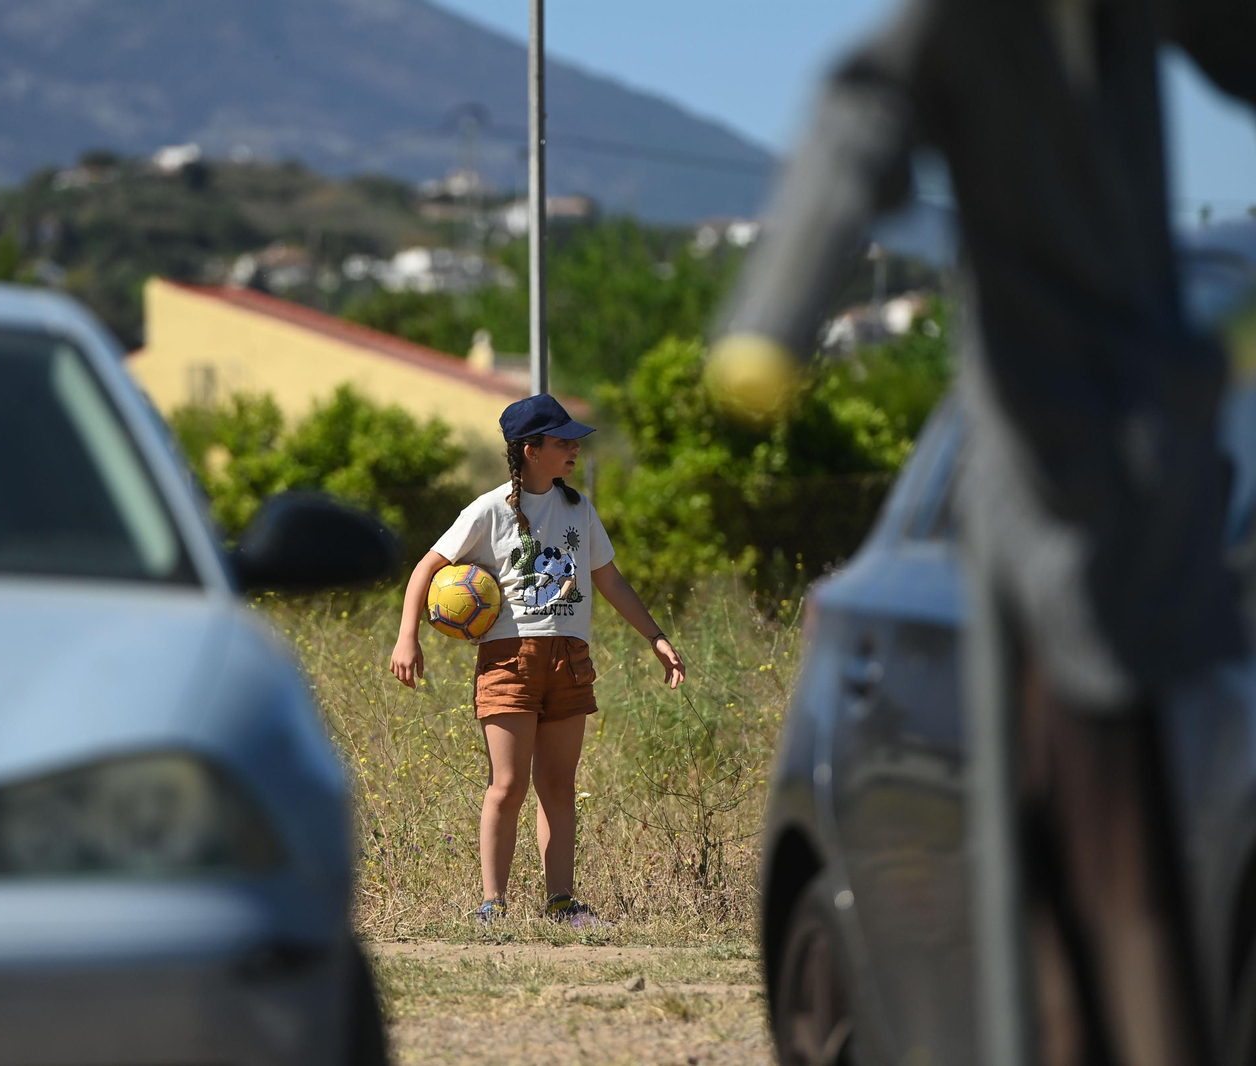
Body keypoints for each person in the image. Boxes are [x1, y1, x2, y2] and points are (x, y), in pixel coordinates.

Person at [707, 1, 1255, 1061]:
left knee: (1102, 905)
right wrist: (772, 320)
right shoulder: (966, 22)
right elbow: (858, 120)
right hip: (1057, 500)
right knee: (1092, 893)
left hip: (1159, 510)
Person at [390, 394, 685, 925]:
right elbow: (424, 569)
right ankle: (492, 904)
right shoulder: (488, 510)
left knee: (558, 785)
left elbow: (609, 580)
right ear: (530, 450)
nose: (573, 448)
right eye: (561, 441)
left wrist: (655, 636)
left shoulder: (579, 508)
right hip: (510, 658)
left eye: (574, 440)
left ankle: (562, 902)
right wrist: (407, 636)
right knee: (508, 785)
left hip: (569, 658)